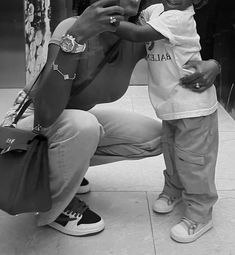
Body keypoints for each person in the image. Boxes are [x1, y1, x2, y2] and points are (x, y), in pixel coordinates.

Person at [1, 0, 220, 237]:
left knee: (157, 138)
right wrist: (76, 38)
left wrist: (215, 65)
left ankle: (63, 168)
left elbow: (179, 48)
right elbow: (45, 114)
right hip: (34, 123)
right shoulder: (72, 27)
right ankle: (58, 207)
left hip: (71, 122)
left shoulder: (134, 36)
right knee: (83, 127)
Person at [115, 0, 218, 243]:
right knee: (172, 152)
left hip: (193, 106)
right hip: (171, 104)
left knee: (193, 162)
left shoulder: (180, 18)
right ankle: (174, 190)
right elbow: (139, 20)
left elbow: (138, 33)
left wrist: (106, 21)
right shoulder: (157, 11)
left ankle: (200, 213)